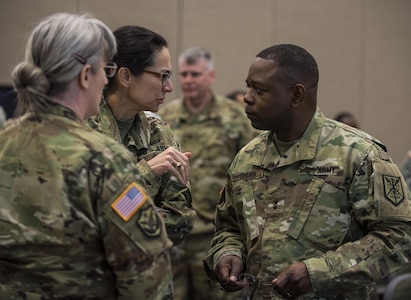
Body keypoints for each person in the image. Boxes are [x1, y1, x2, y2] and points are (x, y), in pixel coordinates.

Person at [203, 44, 411, 299]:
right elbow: (229, 228)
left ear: (296, 95)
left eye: (259, 89)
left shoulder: (358, 154)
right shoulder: (247, 158)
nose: (247, 97)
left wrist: (319, 272)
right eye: (248, 86)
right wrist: (228, 253)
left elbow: (398, 236)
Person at [0, 13, 174, 299]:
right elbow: (146, 277)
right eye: (105, 71)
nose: (106, 82)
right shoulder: (105, 161)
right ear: (85, 76)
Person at [158, 46, 254, 300]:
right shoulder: (165, 117)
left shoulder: (233, 116)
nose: (188, 81)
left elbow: (250, 169)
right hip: (174, 233)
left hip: (215, 233)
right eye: (184, 74)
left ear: (210, 76)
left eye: (195, 74)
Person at [87, 25, 196, 246]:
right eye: (162, 76)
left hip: (146, 275)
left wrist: (117, 215)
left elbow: (180, 220)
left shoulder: (159, 133)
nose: (170, 87)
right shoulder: (83, 130)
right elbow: (85, 219)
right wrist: (146, 174)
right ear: (126, 76)